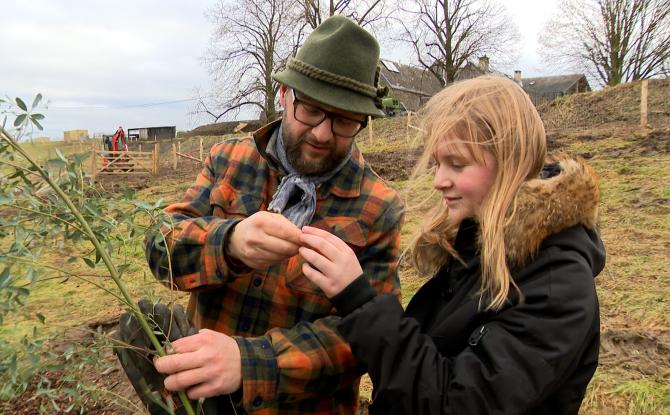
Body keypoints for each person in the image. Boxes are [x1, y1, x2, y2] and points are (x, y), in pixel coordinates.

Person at [125, 15, 403, 414]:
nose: (323, 134)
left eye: (344, 120)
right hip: (199, 403)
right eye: (310, 109)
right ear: (285, 93)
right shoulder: (228, 160)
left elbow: (366, 338)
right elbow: (160, 245)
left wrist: (249, 364)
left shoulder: (378, 206)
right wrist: (230, 243)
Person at [299, 76, 606, 414]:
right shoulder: (474, 249)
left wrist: (358, 300)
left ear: (509, 160)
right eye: (437, 163)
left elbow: (457, 403)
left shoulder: (557, 285)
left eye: (457, 164)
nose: (438, 181)